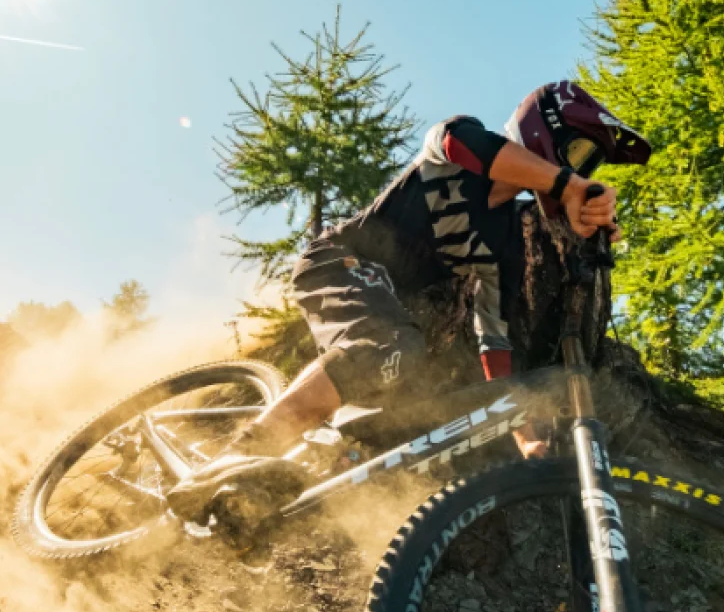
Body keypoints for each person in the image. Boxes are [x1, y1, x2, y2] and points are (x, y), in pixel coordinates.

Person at [166, 81, 646, 521]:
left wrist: (523, 429)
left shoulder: (505, 241)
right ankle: (237, 454)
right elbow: (457, 141)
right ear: (542, 131)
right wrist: (567, 186)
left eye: (588, 164)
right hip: (338, 262)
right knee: (391, 345)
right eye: (577, 152)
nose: (581, 169)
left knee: (395, 415)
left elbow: (493, 337)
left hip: (386, 303)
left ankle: (267, 491)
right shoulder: (461, 144)